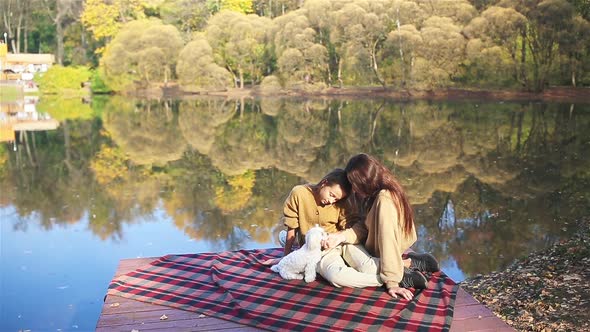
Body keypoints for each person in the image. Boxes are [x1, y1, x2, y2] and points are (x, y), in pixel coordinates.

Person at [318, 153, 439, 300]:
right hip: (377, 242)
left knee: (365, 268)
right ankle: (409, 263)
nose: (354, 190)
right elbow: (364, 225)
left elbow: (387, 238)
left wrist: (392, 282)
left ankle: (401, 269)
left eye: (354, 184)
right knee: (346, 245)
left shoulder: (384, 199)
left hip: (385, 246)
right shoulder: (380, 188)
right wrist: (342, 236)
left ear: (363, 181)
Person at [278, 168, 360, 256]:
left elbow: (347, 227)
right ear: (324, 183)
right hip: (310, 249)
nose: (331, 201)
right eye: (331, 195)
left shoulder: (341, 203)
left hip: (334, 246)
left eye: (336, 199)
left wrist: (334, 239)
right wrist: (286, 256)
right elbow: (292, 227)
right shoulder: (299, 193)